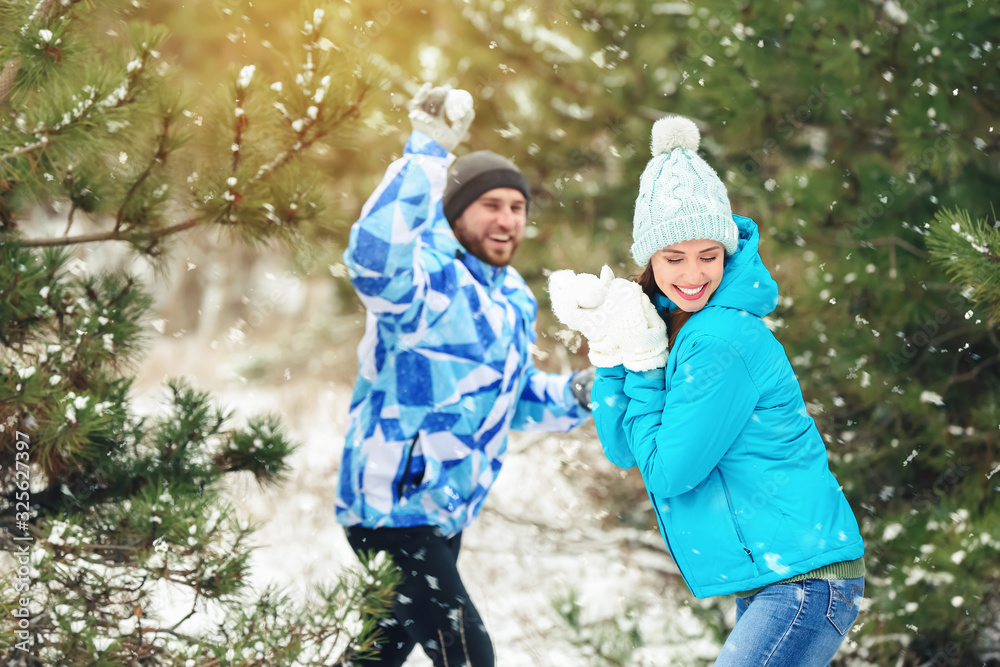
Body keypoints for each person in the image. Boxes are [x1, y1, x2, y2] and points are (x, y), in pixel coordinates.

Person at [548, 115, 865, 666]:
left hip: (804, 578)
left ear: (726, 252)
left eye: (709, 255)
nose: (693, 273)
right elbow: (625, 449)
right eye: (674, 258)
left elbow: (669, 471)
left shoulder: (719, 337)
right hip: (780, 578)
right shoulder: (678, 326)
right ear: (650, 260)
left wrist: (645, 364)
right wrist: (609, 354)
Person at [335, 83, 595, 667]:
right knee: (469, 656)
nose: (507, 219)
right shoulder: (424, 280)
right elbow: (373, 261)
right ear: (456, 213)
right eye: (491, 205)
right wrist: (426, 151)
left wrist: (579, 393)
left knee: (375, 657)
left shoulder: (512, 300)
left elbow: (514, 398)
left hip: (444, 511)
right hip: (392, 509)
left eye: (517, 207)